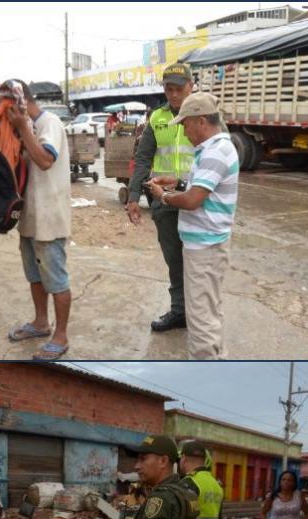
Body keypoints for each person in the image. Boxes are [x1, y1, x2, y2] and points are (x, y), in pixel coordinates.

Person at [145, 93, 238, 360]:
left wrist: (163, 196)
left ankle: (206, 364)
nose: (184, 132)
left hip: (205, 248)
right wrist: (175, 181)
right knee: (211, 310)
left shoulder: (215, 153)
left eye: (185, 125)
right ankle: (217, 358)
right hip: (210, 244)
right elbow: (199, 186)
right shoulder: (214, 149)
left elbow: (193, 200)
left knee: (200, 320)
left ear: (200, 122)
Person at [2, 80, 73, 361]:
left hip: (49, 217)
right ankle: (41, 323)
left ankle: (62, 335)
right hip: (30, 217)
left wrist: (21, 128)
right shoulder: (25, 129)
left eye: (7, 106)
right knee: (35, 276)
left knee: (56, 279)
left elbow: (45, 160)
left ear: (20, 103)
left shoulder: (49, 123)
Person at [127, 64, 195, 335]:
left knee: (200, 262)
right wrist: (133, 196)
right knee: (175, 260)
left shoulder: (205, 115)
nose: (174, 94)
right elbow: (143, 158)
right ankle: (180, 312)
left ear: (191, 85)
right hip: (165, 201)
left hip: (197, 201)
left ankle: (200, 315)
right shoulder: (157, 118)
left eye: (179, 88)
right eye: (169, 88)